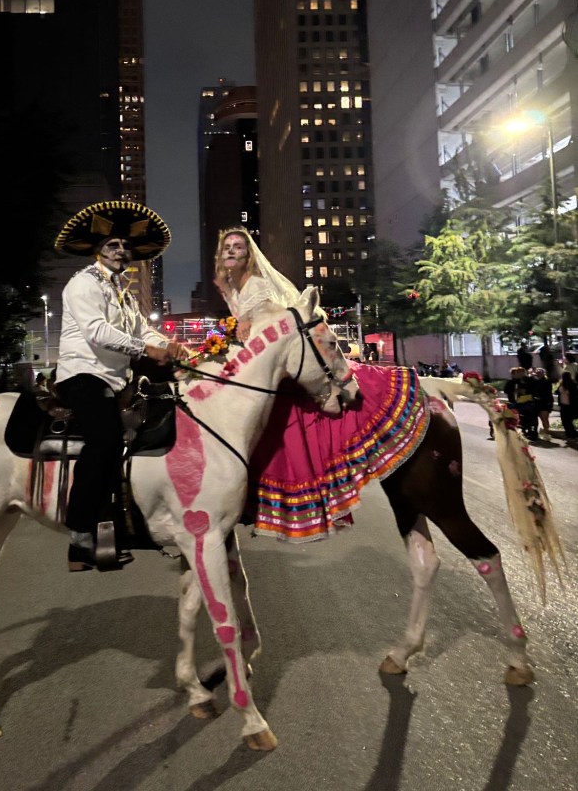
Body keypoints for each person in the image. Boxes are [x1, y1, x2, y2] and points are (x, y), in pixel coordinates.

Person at [212, 227, 429, 543]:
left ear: (249, 253)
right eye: (227, 247)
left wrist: (248, 326)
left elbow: (278, 329)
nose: (232, 251)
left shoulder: (256, 285)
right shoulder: (236, 288)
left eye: (239, 247)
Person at [53, 200, 187, 572]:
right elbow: (96, 332)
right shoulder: (83, 283)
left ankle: (127, 523)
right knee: (106, 440)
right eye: (113, 245)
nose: (121, 251)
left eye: (126, 247)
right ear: (98, 249)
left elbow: (142, 329)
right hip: (83, 374)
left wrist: (174, 347)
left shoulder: (124, 293)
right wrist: (146, 348)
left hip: (116, 379)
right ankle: (80, 538)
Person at [503, 366, 539, 441]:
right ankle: (520, 429)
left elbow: (534, 388)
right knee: (516, 416)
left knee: (531, 416)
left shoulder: (529, 380)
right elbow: (506, 390)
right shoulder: (511, 381)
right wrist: (515, 391)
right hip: (515, 402)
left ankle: (532, 431)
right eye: (518, 373)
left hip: (527, 401)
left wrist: (526, 390)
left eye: (522, 372)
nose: (520, 374)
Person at [531, 367, 554, 438]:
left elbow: (548, 393)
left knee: (544, 418)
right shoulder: (535, 381)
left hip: (545, 403)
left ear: (543, 373)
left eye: (539, 373)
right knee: (540, 418)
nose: (538, 374)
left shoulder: (547, 381)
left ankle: (546, 432)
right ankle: (544, 431)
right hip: (537, 402)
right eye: (537, 373)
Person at [555, 371, 578, 442]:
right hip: (563, 405)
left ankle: (573, 435)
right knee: (565, 421)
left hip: (570, 406)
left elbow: (575, 394)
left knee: (568, 421)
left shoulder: (573, 385)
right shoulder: (561, 384)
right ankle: (570, 435)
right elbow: (556, 392)